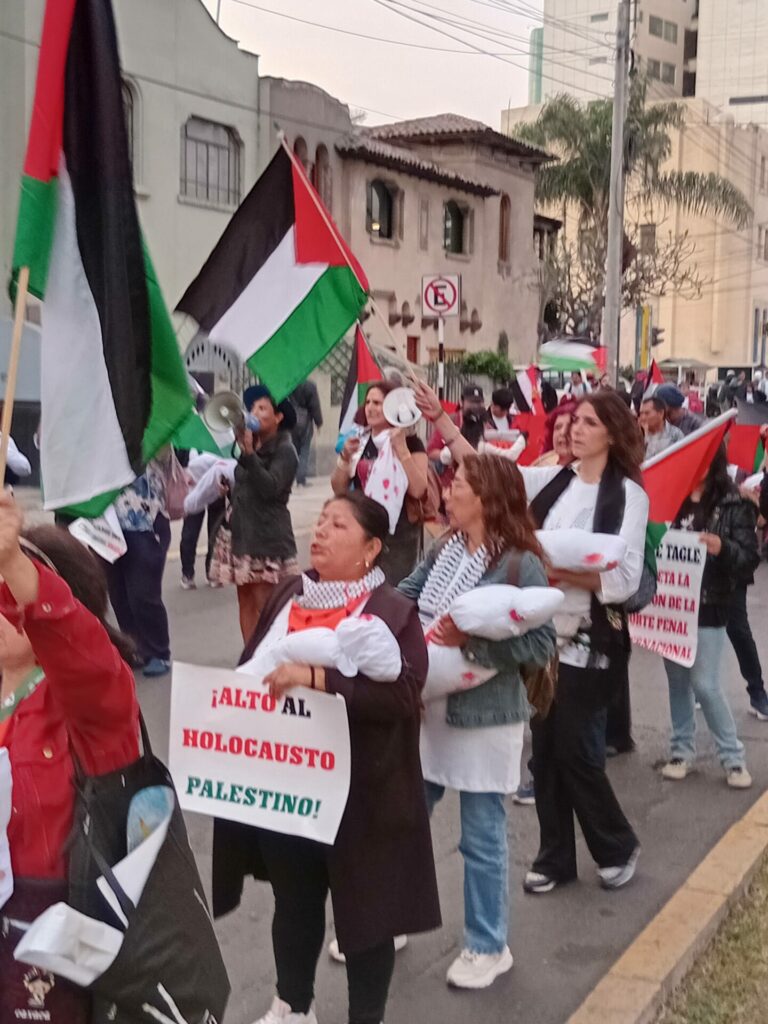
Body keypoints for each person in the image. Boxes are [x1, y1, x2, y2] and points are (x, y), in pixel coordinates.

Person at [212, 492, 441, 1024]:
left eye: (338, 525)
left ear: (371, 548)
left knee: (367, 916)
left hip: (363, 794)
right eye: (321, 521)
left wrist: (319, 678)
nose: (320, 532)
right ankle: (294, 1005)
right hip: (289, 785)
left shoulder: (391, 611)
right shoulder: (291, 592)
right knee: (294, 902)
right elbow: (255, 665)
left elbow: (404, 695)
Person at [412, 383, 647, 891]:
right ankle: (555, 857)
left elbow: (625, 580)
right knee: (544, 751)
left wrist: (557, 576)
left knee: (576, 750)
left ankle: (616, 844)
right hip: (542, 637)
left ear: (612, 434)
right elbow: (491, 474)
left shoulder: (629, 496)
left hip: (588, 639)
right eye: (575, 421)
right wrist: (443, 423)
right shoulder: (554, 480)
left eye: (589, 423)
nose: (576, 430)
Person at [399, 455, 555, 990]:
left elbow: (540, 643)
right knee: (404, 818)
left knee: (481, 837)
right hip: (428, 707)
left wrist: (473, 644)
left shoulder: (519, 562)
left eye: (459, 485)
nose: (448, 492)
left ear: (486, 498)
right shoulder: (445, 548)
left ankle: (488, 945)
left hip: (486, 717)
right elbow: (406, 597)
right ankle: (391, 917)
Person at [0, 503, 139, 1023]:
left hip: (50, 938)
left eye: (7, 595)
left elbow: (77, 646)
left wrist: (14, 561)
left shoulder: (93, 704)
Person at [661, 446, 754, 788]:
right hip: (670, 605)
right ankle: (681, 751)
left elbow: (749, 557)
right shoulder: (669, 497)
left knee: (705, 684)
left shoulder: (733, 503)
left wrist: (722, 548)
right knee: (677, 682)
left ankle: (733, 758)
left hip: (709, 603)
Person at [210, 385, 299, 642]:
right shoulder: (253, 444)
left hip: (266, 537)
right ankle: (250, 655)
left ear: (278, 416)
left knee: (265, 604)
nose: (254, 413)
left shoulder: (285, 450)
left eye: (262, 408)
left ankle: (272, 654)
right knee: (246, 600)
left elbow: (270, 488)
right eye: (252, 408)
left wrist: (249, 453)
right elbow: (247, 482)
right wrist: (229, 488)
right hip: (243, 532)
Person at [331, 381, 429, 585]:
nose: (370, 408)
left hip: (398, 535)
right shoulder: (359, 441)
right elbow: (339, 488)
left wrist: (402, 450)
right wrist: (345, 458)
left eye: (377, 403)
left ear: (392, 407)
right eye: (368, 402)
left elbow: (419, 489)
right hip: (363, 527)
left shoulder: (411, 442)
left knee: (391, 592)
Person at [106, 457, 173, 676]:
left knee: (143, 593)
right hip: (106, 525)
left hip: (145, 521)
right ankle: (135, 648)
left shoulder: (151, 440)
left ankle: (159, 652)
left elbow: (163, 454)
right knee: (118, 593)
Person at [178, 451, 226, 590]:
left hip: (216, 491)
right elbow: (176, 464)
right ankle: (187, 573)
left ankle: (212, 572)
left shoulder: (220, 444)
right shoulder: (185, 444)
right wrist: (183, 475)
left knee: (215, 533)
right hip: (194, 491)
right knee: (190, 534)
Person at [290, 379, 324, 487]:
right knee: (304, 451)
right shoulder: (310, 386)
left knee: (294, 450)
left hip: (291, 421)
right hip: (305, 422)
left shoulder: (288, 385)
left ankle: (291, 478)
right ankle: (301, 480)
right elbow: (315, 405)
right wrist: (319, 422)